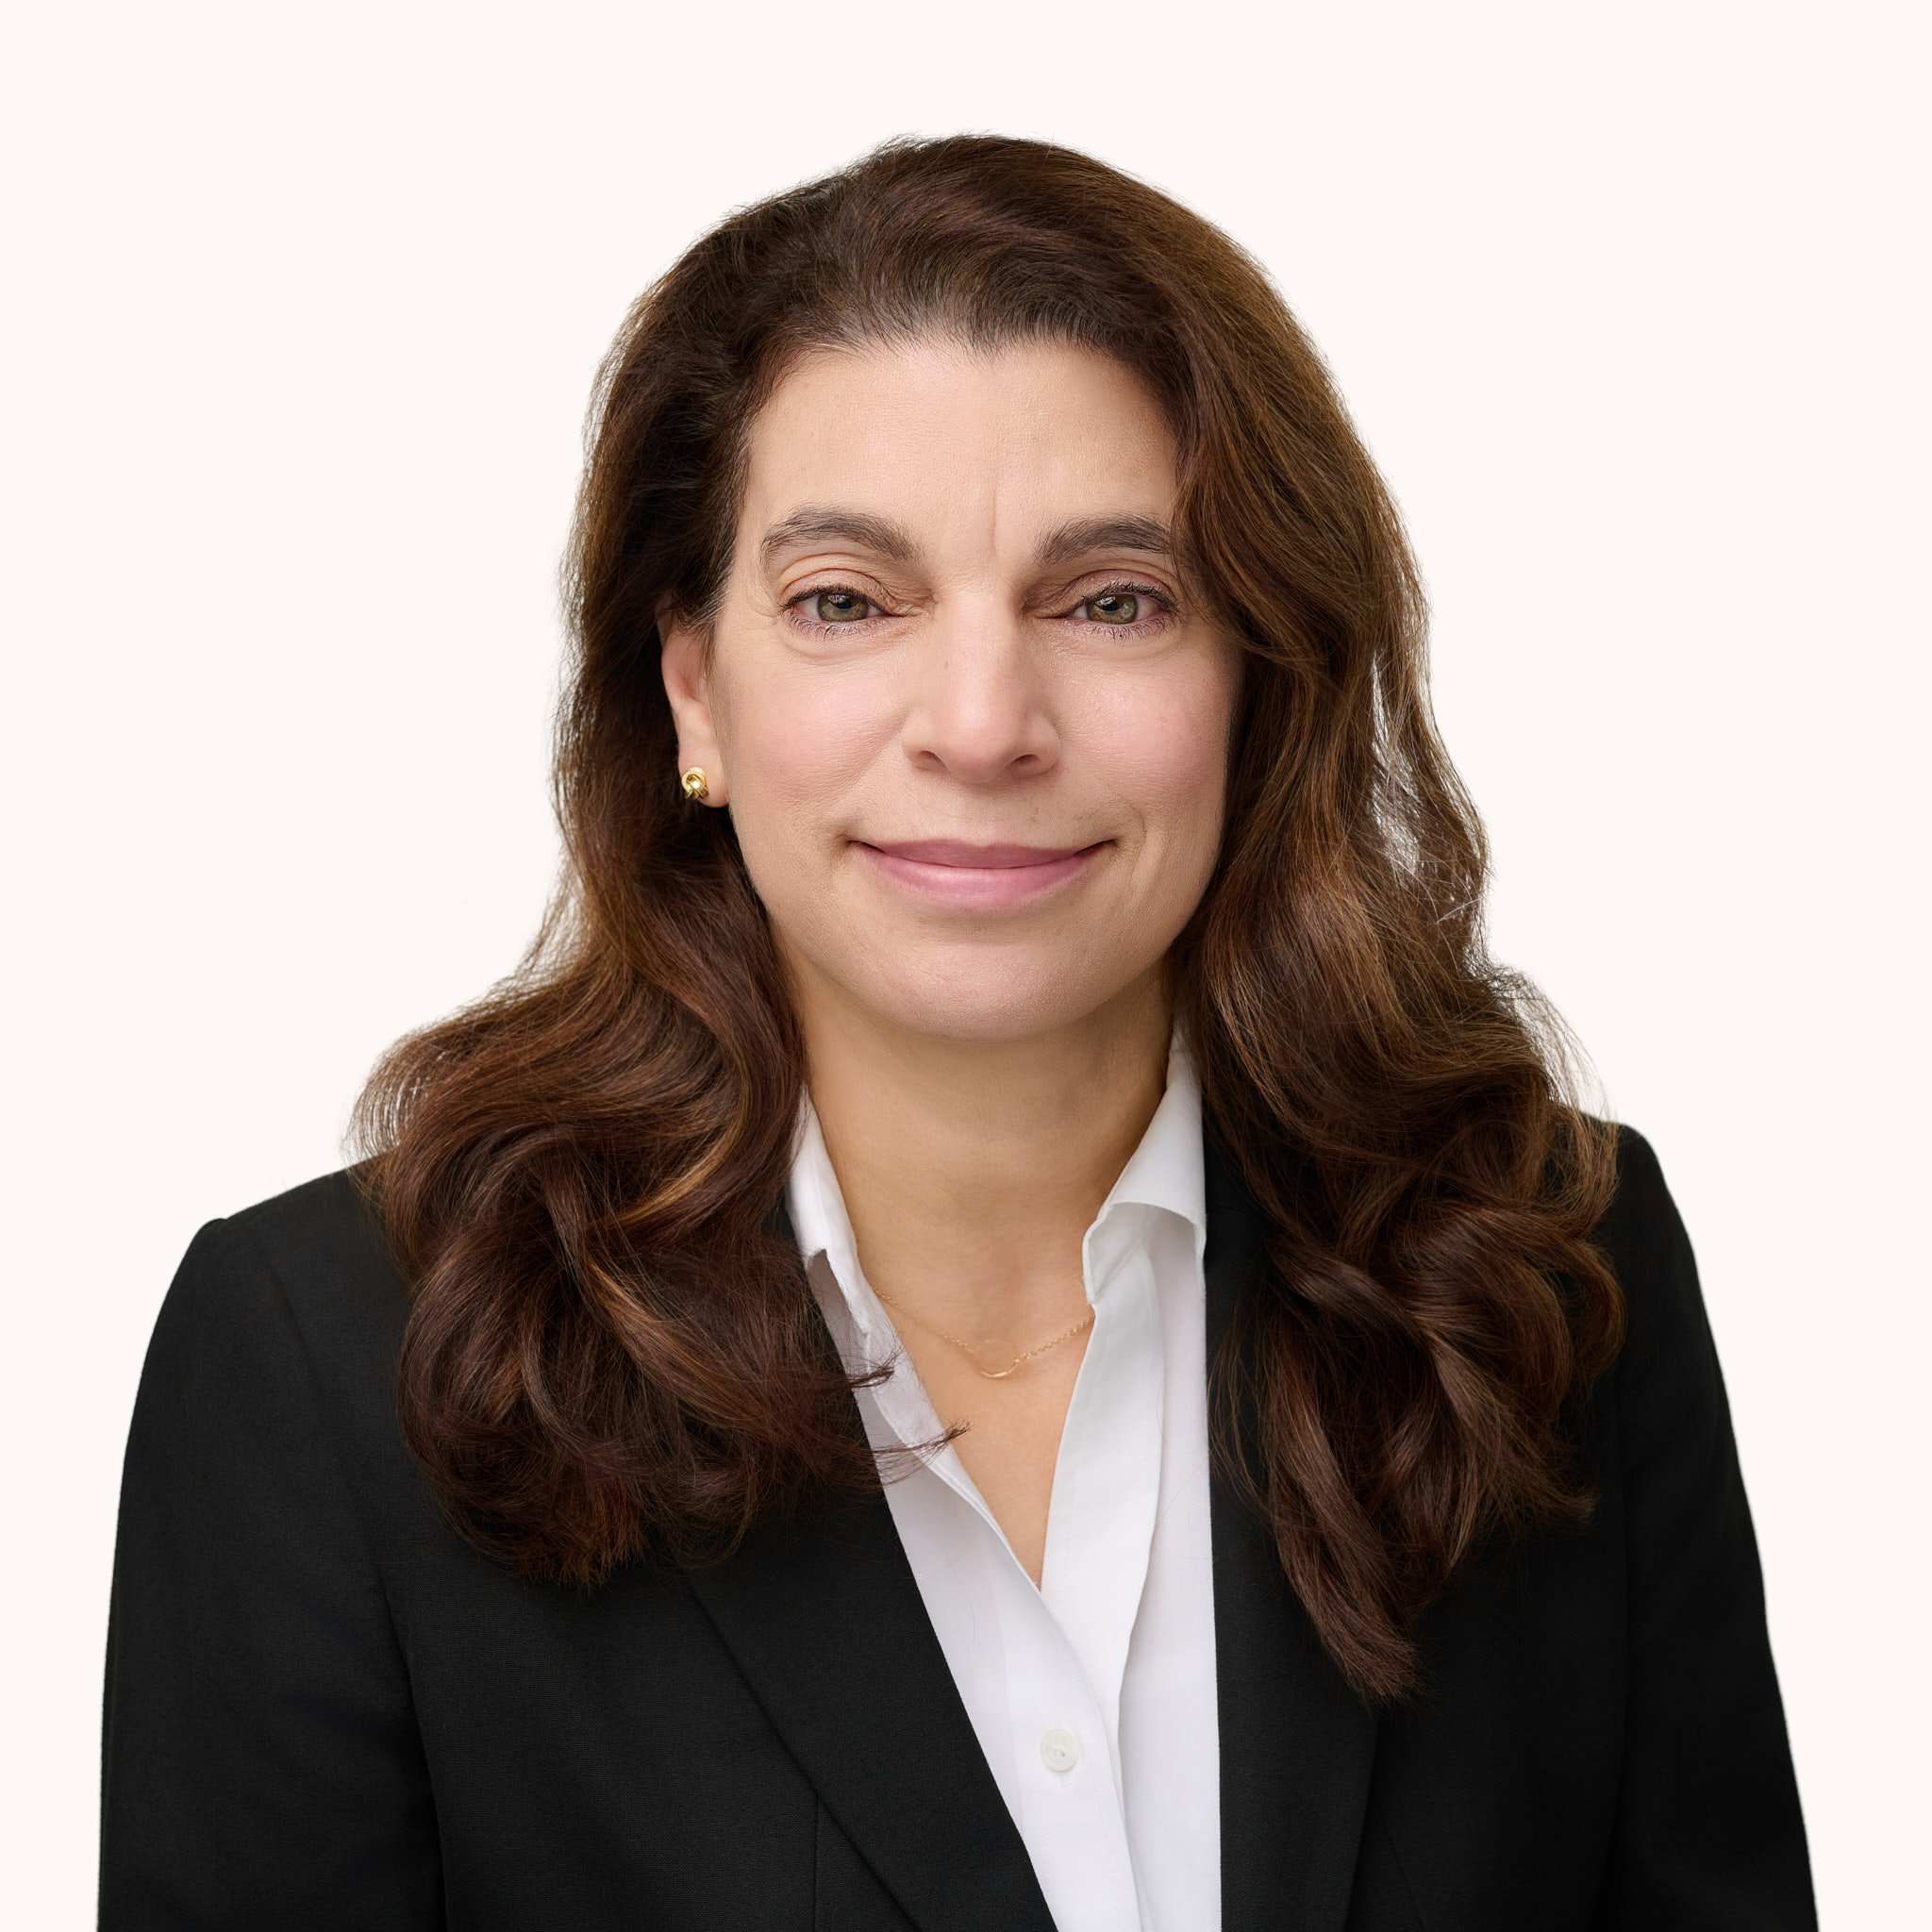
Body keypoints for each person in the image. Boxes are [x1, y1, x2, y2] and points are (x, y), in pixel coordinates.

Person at [98, 132, 1817, 1931]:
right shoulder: (333, 1371)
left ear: (1258, 675)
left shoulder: (1543, 1269)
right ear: (693, 684)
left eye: (1114, 600)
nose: (985, 724)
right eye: (847, 601)